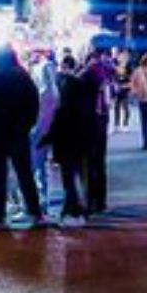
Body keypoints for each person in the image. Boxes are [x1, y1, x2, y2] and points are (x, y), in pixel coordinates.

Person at [0, 46, 45, 229]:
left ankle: (0, 217)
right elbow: (33, 104)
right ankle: (35, 213)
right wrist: (26, 126)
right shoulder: (22, 77)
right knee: (24, 173)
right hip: (17, 133)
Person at [40, 55, 90, 222]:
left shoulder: (63, 110)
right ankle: (75, 206)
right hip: (80, 145)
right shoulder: (83, 110)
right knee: (77, 176)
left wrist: (44, 140)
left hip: (66, 147)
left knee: (68, 178)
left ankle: (72, 208)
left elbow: (55, 129)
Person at [80, 51, 114, 214]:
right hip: (101, 121)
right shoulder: (106, 73)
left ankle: (91, 201)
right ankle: (100, 201)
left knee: (89, 163)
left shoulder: (86, 74)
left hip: (88, 123)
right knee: (99, 163)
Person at [30, 52, 60, 215]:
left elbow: (43, 117)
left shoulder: (46, 94)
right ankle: (42, 198)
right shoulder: (54, 92)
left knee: (37, 166)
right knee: (41, 168)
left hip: (41, 133)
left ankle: (40, 199)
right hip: (46, 133)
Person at [112, 49, 133, 132]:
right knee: (116, 107)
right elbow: (112, 77)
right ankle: (116, 125)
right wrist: (115, 85)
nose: (123, 57)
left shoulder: (129, 67)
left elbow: (132, 79)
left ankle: (125, 124)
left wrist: (127, 86)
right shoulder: (115, 66)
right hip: (117, 89)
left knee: (126, 107)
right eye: (121, 56)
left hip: (126, 89)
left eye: (125, 56)